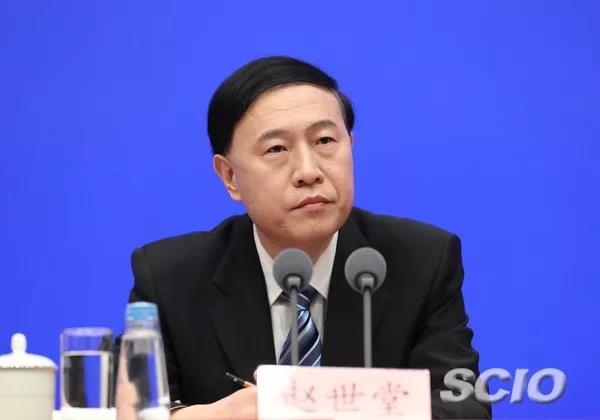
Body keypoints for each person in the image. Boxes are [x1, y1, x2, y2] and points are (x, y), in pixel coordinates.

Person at [124, 56, 491, 419]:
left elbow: (465, 407)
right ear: (230, 176)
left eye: (325, 140)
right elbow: (136, 411)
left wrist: (330, 409)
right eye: (277, 149)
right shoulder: (169, 278)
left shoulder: (421, 260)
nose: (308, 171)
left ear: (351, 146)